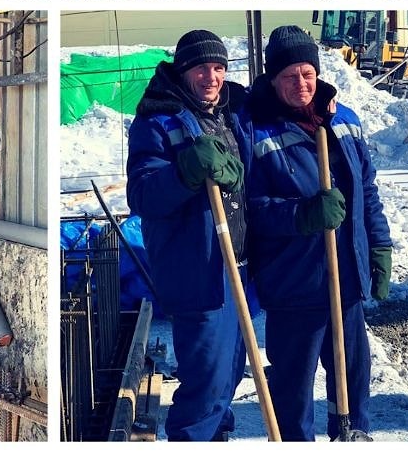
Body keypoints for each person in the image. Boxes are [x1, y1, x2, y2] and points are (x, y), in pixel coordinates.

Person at [241, 26, 392, 441]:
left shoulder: (344, 120)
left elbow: (367, 193)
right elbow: (250, 212)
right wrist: (301, 215)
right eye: (290, 76)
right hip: (295, 282)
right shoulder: (256, 129)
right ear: (273, 79)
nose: (301, 84)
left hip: (346, 276)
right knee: (293, 384)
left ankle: (353, 433)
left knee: (352, 372)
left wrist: (379, 247)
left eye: (307, 73)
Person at [127, 30, 249, 441]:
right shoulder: (157, 121)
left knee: (230, 371)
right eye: (201, 68)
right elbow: (142, 194)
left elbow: (282, 93)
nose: (211, 77)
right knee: (207, 382)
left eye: (219, 67)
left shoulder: (231, 110)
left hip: (236, 266)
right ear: (183, 72)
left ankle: (216, 436)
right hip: (197, 269)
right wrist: (184, 172)